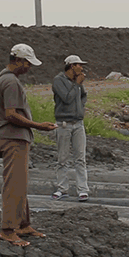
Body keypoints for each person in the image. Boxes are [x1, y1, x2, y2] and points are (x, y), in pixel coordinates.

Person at [0, 43, 58, 247]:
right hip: (13, 138)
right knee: (14, 185)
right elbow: (11, 115)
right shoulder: (11, 82)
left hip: (12, 137)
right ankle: (8, 230)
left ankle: (22, 224)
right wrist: (38, 126)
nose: (29, 68)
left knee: (19, 183)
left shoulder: (3, 77)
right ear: (18, 60)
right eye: (28, 63)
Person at [52, 55, 90, 202]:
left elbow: (83, 96)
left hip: (78, 124)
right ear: (71, 66)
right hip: (64, 124)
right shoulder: (58, 80)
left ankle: (83, 189)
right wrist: (77, 85)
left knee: (80, 158)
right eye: (79, 65)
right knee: (63, 158)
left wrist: (80, 108)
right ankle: (62, 188)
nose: (81, 68)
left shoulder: (77, 82)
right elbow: (67, 98)